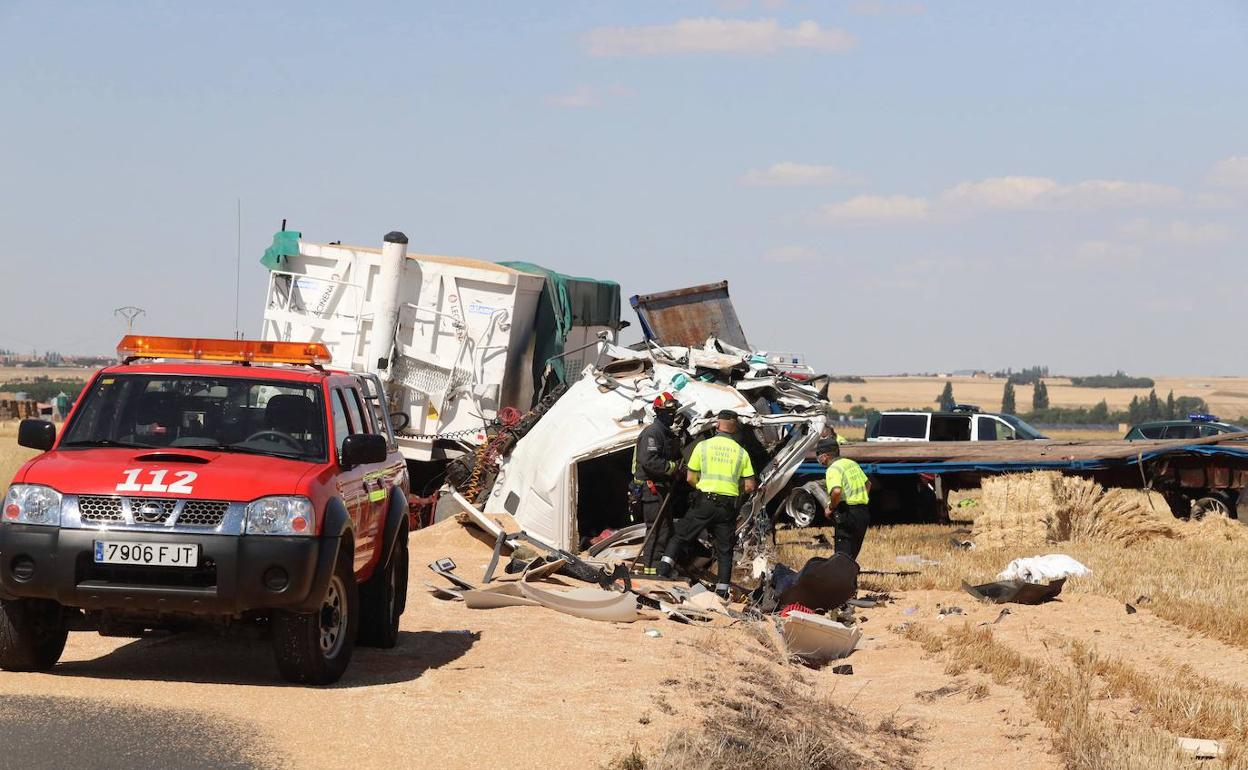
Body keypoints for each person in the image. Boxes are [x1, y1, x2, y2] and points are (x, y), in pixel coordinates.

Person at [657, 410, 756, 598]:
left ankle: (663, 571)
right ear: (734, 429)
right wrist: (735, 491)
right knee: (725, 550)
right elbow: (751, 485)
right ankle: (721, 591)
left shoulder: (703, 446)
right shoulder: (741, 453)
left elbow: (690, 477)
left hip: (704, 502)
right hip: (727, 507)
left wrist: (701, 488)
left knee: (680, 536)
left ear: (717, 425)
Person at [632, 392, 684, 570]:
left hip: (662, 489)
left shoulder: (666, 434)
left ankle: (656, 567)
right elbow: (649, 461)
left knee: (665, 529)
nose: (672, 415)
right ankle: (651, 569)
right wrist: (672, 468)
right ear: (657, 411)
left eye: (673, 412)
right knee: (657, 530)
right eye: (668, 412)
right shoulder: (652, 433)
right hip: (651, 489)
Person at [816, 437, 871, 559]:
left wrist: (830, 507)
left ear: (825, 456)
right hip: (863, 512)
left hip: (847, 513)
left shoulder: (833, 469)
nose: (818, 458)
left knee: (842, 557)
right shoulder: (851, 463)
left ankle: (842, 577)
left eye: (818, 455)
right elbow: (868, 484)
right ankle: (850, 577)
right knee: (852, 555)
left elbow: (836, 491)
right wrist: (860, 498)